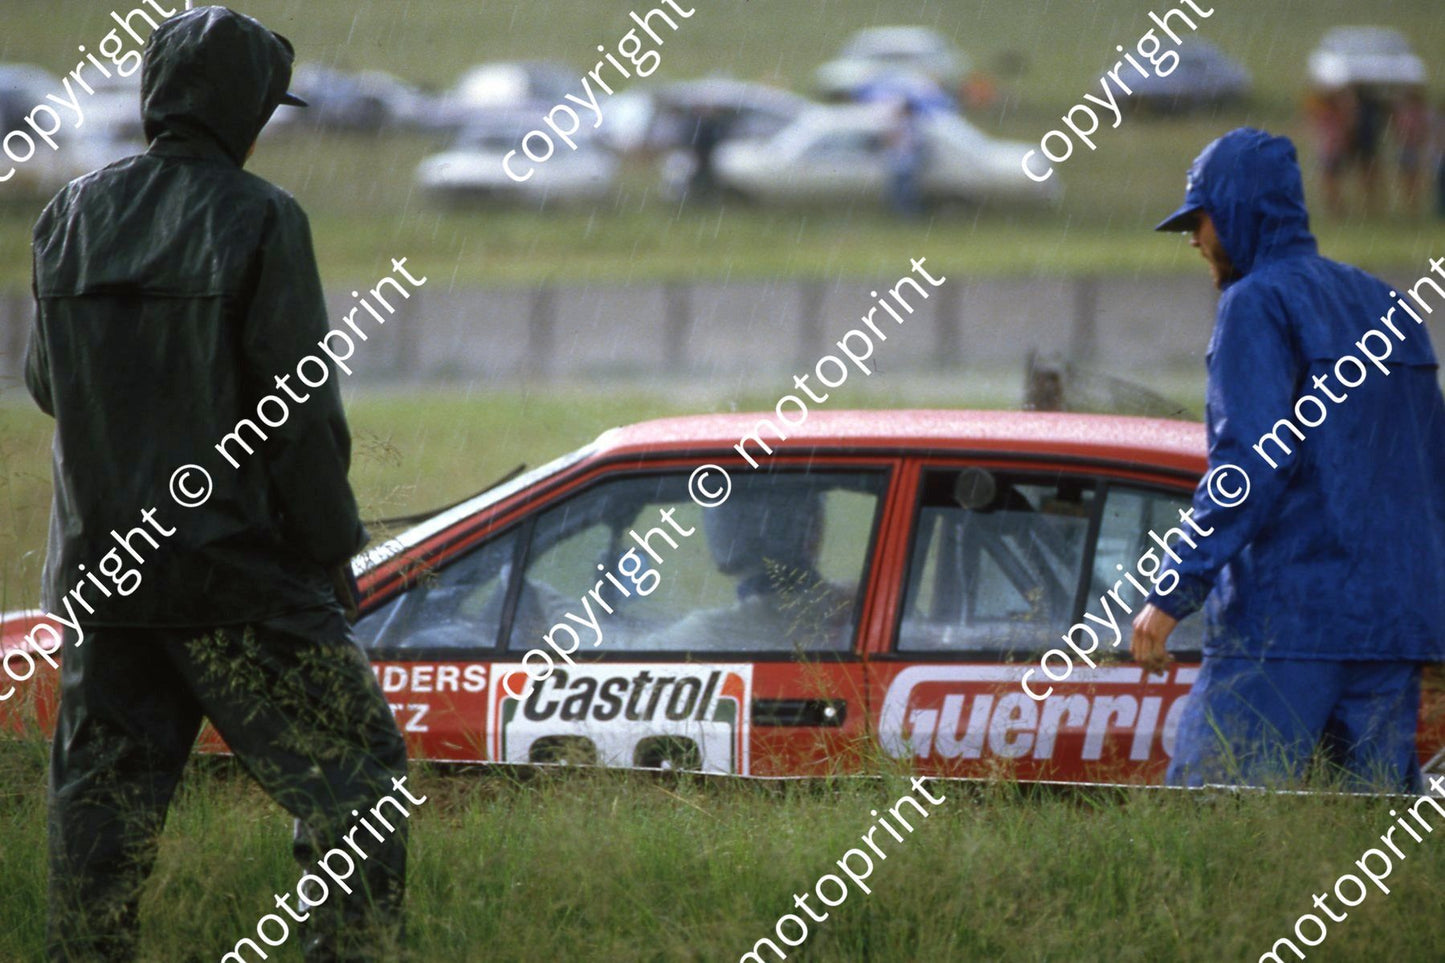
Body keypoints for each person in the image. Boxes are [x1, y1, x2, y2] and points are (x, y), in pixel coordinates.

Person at [24, 7, 407, 961]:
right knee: (354, 776)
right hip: (232, 576)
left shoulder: (67, 215)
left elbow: (44, 382)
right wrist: (330, 549)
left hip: (102, 582)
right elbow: (298, 415)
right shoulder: (261, 217)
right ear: (241, 107)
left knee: (100, 820)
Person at [1131, 127, 1445, 792]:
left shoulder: (1255, 304)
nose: (1192, 239)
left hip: (1287, 622)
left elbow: (1251, 463)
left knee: (1213, 824)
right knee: (1366, 846)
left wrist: (1173, 590)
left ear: (1238, 211)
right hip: (1391, 628)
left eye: (1199, 218)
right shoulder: (1392, 308)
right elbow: (1430, 478)